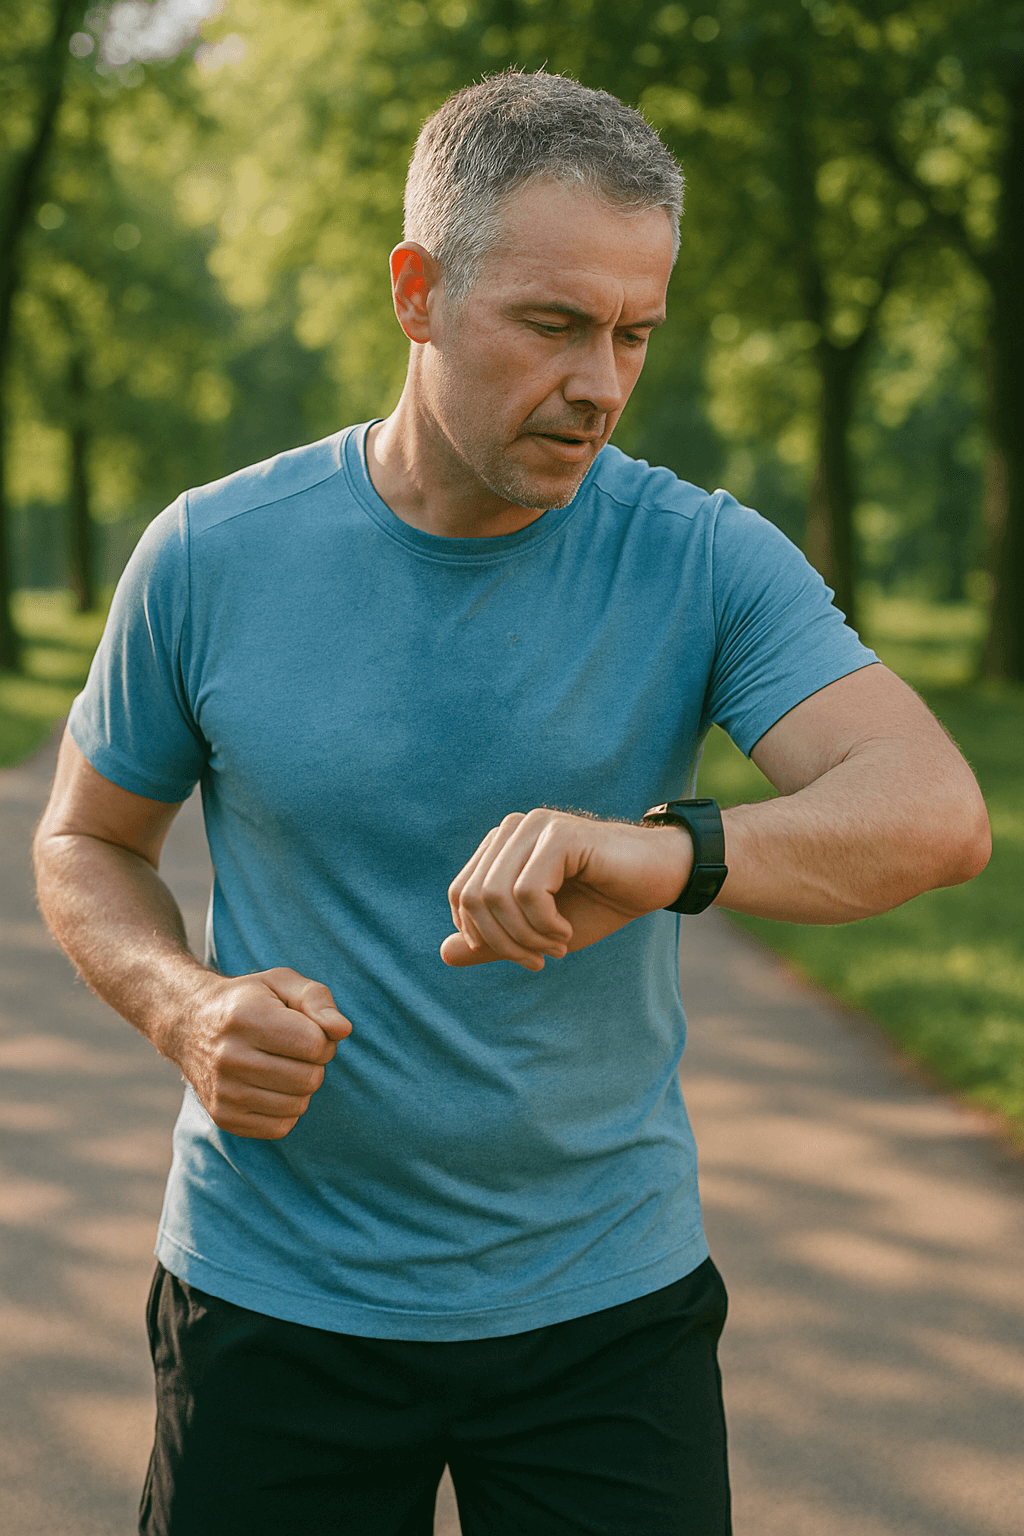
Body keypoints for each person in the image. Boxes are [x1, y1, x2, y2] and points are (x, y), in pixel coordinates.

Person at [33, 69, 989, 1536]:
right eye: (552, 324)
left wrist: (663, 851)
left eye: (634, 332)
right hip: (273, 1299)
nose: (602, 380)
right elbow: (88, 839)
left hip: (605, 1313)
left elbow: (934, 812)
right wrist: (182, 1008)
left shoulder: (702, 558)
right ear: (418, 293)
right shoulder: (211, 555)